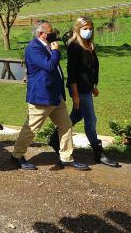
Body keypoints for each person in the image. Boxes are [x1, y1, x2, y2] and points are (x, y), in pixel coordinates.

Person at [11, 20, 89, 171]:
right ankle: (16, 156)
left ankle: (66, 157)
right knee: (31, 128)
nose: (53, 34)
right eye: (50, 32)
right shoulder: (34, 48)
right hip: (41, 97)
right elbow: (49, 65)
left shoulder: (46, 45)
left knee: (66, 125)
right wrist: (55, 51)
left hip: (55, 96)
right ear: (42, 34)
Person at [52, 17, 120, 167]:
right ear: (77, 29)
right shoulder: (74, 46)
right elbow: (73, 72)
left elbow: (91, 68)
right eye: (85, 28)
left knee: (76, 115)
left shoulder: (89, 45)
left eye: (90, 28)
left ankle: (54, 139)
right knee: (91, 120)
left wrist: (93, 86)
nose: (88, 31)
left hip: (87, 88)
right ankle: (98, 153)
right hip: (78, 89)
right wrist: (75, 95)